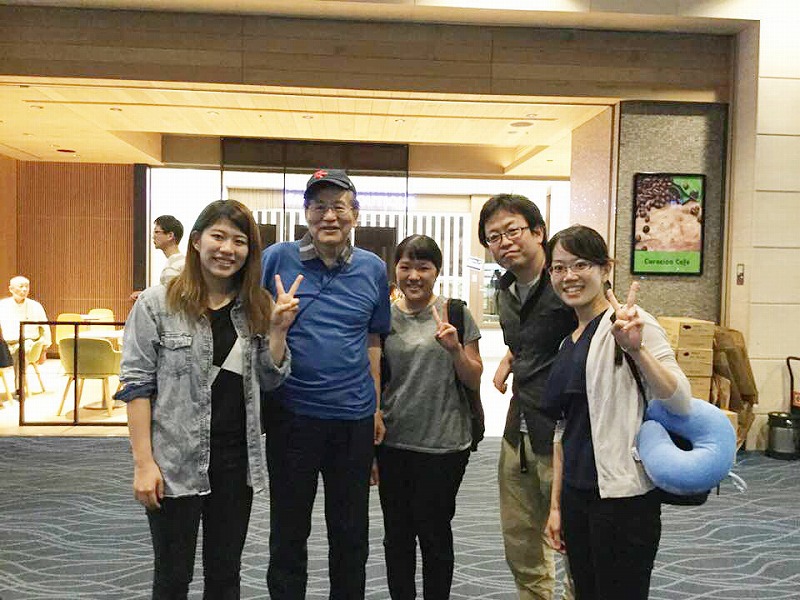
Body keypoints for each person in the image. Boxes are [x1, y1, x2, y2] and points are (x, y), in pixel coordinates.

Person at [115, 199, 301, 599]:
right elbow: (136, 385)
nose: (227, 249)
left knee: (225, 575)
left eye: (240, 241)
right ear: (197, 241)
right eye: (218, 236)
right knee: (172, 576)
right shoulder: (157, 304)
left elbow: (270, 381)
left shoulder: (257, 305)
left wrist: (278, 332)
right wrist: (144, 463)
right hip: (174, 460)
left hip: (235, 462)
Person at [260, 168, 391, 599]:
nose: (328, 216)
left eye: (338, 207)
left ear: (356, 214)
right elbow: (252, 323)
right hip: (292, 416)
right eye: (318, 207)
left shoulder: (372, 268)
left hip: (352, 419)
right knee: (288, 531)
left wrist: (375, 407)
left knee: (351, 534)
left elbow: (373, 341)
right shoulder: (277, 259)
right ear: (305, 213)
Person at [542, 225, 691, 600]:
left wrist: (637, 350)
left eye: (581, 265)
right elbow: (563, 428)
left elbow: (681, 401)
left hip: (624, 497)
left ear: (605, 268)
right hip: (577, 494)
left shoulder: (631, 323)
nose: (569, 276)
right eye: (559, 268)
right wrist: (556, 506)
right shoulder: (567, 341)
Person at [478, 194, 577, 600]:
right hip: (518, 429)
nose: (504, 242)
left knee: (575, 542)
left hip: (565, 433)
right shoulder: (505, 290)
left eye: (513, 230)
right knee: (521, 542)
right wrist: (510, 359)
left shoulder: (567, 282)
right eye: (494, 236)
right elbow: (530, 339)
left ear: (538, 232)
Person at [377, 234, 483, 600]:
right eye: (406, 266)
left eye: (423, 267)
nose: (414, 276)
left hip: (444, 444)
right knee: (397, 536)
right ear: (395, 270)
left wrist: (455, 350)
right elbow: (374, 376)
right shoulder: (383, 317)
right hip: (393, 443)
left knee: (435, 533)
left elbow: (473, 377)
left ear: (437, 271)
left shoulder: (456, 313)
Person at [0, 276, 52, 389]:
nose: (24, 289)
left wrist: (44, 350)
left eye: (26, 286)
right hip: (6, 344)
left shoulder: (36, 306)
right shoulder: (2, 305)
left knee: (20, 351)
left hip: (28, 342)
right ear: (11, 289)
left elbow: (45, 328)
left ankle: (19, 388)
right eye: (21, 286)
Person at [131, 215, 186, 300]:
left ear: (170, 235)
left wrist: (145, 296)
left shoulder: (174, 266)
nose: (153, 236)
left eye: (157, 232)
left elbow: (170, 299)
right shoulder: (181, 261)